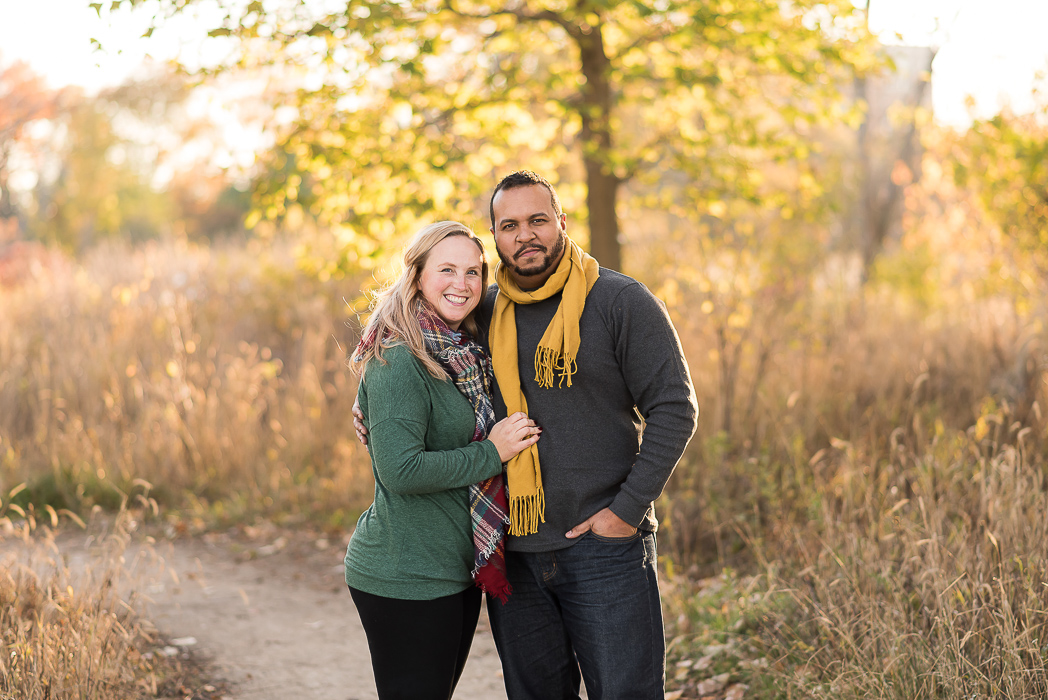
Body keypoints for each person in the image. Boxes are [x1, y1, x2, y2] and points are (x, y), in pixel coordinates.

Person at [355, 173, 697, 700]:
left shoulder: (618, 301)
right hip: (515, 552)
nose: (525, 235)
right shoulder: (484, 310)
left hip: (603, 549)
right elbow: (415, 358)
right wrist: (369, 404)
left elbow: (675, 409)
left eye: (537, 220)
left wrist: (625, 512)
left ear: (560, 222)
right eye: (509, 225)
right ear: (496, 236)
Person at [344, 220, 541, 700]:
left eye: (473, 272)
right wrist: (492, 453)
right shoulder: (399, 357)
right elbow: (401, 470)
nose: (462, 284)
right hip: (404, 573)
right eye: (447, 269)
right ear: (416, 276)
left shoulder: (463, 350)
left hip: (452, 568)